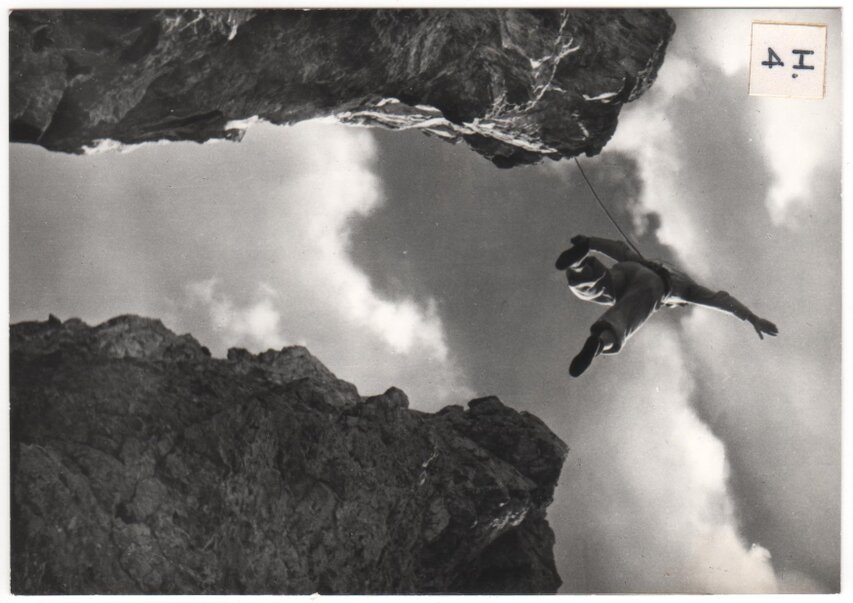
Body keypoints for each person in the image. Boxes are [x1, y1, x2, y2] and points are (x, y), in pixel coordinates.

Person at [556, 235, 778, 377]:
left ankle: (579, 266)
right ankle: (600, 343)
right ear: (679, 303)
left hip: (630, 269)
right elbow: (721, 300)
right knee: (626, 316)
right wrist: (752, 318)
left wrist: (590, 243)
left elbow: (620, 250)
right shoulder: (688, 289)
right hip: (655, 284)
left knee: (598, 287)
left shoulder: (652, 260)